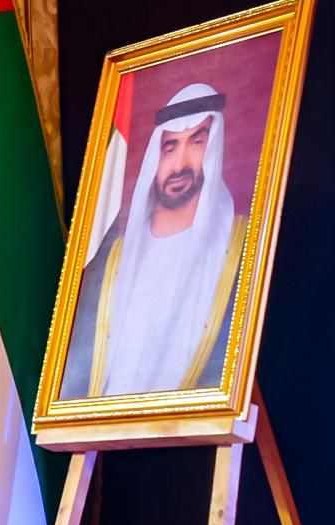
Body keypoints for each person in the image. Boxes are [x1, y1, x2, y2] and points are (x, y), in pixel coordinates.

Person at [61, 83, 247, 398]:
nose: (180, 165)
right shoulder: (112, 259)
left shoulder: (239, 251)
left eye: (197, 143)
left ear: (213, 149)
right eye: (170, 148)